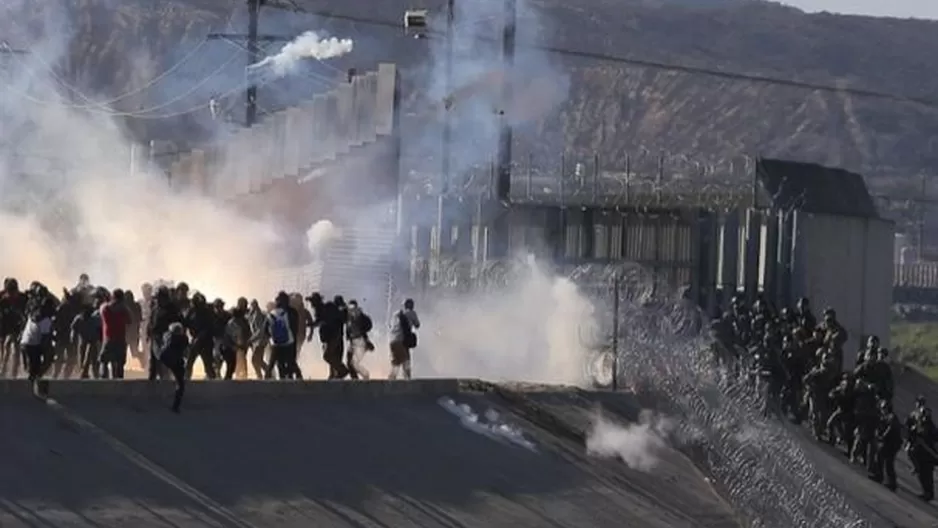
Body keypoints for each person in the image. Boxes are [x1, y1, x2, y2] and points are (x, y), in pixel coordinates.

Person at [99, 288, 130, 379]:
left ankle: (103, 379)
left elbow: (101, 310)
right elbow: (129, 320)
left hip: (108, 338)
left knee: (104, 360)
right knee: (119, 362)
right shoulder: (124, 310)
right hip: (120, 338)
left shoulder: (106, 308)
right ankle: (119, 381)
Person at [159, 322, 189, 413]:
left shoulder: (166, 336)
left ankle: (169, 402)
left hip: (165, 359)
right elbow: (185, 352)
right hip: (176, 362)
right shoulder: (183, 339)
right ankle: (175, 406)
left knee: (166, 377)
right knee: (180, 385)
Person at [265, 291, 297, 380]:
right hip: (289, 342)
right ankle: (294, 380)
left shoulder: (272, 313)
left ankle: (277, 381)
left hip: (276, 343)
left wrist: (272, 338)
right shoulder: (292, 312)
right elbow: (295, 329)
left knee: (276, 363)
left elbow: (265, 329)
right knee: (291, 362)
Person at [20, 302, 53, 382]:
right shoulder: (45, 320)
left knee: (32, 368)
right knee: (48, 358)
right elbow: (45, 338)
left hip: (24, 343)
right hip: (34, 345)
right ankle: (37, 376)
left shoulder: (31, 316)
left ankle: (34, 376)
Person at [389, 298, 420, 380]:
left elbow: (391, 326)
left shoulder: (396, 314)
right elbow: (417, 325)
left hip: (392, 341)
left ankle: (390, 383)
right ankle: (408, 385)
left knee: (396, 363)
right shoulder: (411, 313)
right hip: (402, 341)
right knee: (406, 363)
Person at [345, 299, 374, 380]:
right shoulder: (348, 317)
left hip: (360, 341)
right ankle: (355, 379)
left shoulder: (359, 315)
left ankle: (365, 375)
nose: (351, 309)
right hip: (352, 342)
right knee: (349, 363)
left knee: (353, 363)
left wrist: (367, 341)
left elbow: (366, 326)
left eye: (353, 307)